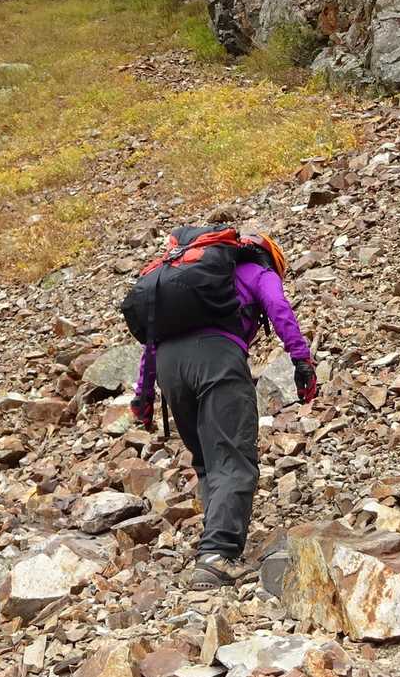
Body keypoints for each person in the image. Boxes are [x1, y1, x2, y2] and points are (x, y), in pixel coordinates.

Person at [129, 226, 315, 589]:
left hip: (170, 369)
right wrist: (301, 360)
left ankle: (213, 543)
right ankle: (218, 555)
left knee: (207, 460)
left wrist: (144, 395)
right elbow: (278, 308)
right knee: (232, 456)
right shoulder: (256, 272)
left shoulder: (184, 288)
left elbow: (152, 341)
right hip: (217, 359)